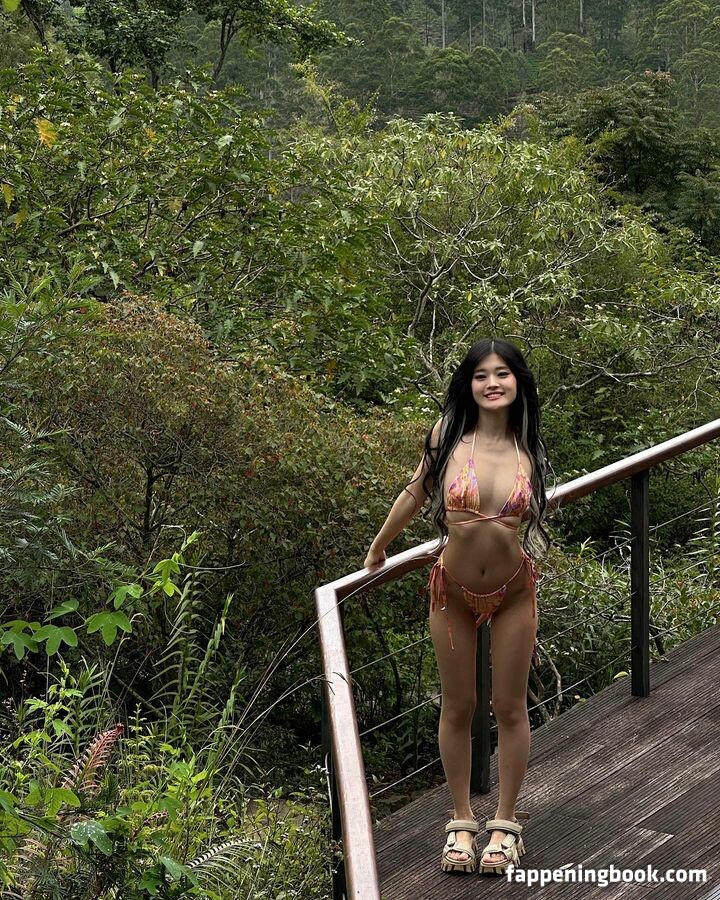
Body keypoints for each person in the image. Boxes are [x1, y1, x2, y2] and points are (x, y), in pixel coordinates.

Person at [364, 337, 550, 876]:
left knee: (509, 707)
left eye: (502, 373)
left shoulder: (528, 441)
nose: (492, 383)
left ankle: (505, 824)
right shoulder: (447, 436)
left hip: (514, 591)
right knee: (458, 705)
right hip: (452, 591)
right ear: (468, 384)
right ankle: (462, 820)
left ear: (517, 382)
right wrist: (378, 548)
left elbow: (535, 515)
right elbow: (415, 492)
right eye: (480, 375)